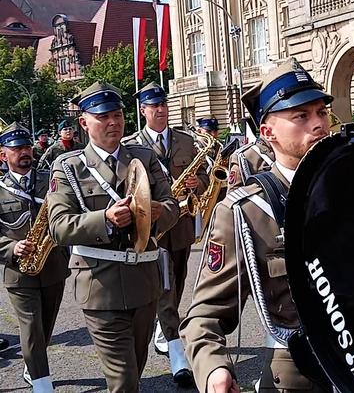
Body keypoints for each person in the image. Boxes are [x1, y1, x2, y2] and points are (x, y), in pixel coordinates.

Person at [180, 58, 332, 393]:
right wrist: (214, 370)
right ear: (268, 133)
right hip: (300, 374)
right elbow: (203, 316)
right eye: (301, 116)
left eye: (321, 112)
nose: (318, 124)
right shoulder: (248, 211)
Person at [47, 81, 179, 393]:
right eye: (103, 116)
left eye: (117, 115)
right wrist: (103, 219)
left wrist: (160, 213)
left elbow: (174, 207)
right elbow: (59, 226)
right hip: (99, 285)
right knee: (123, 381)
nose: (113, 122)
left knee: (137, 365)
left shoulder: (143, 157)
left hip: (144, 282)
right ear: (84, 122)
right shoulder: (69, 167)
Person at [122, 81, 208, 387]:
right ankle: (175, 348)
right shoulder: (132, 146)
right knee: (164, 284)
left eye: (163, 105)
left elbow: (205, 177)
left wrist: (199, 182)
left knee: (179, 280)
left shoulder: (186, 141)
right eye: (153, 106)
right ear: (143, 110)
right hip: (155, 228)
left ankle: (164, 323)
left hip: (182, 224)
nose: (160, 110)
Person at [0, 122, 70, 393]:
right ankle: (43, 385)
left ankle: (33, 365)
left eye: (27, 147)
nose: (25, 152)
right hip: (17, 270)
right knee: (30, 328)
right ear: (3, 155)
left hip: (53, 265)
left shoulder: (51, 180)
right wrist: (10, 248)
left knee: (46, 326)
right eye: (17, 149)